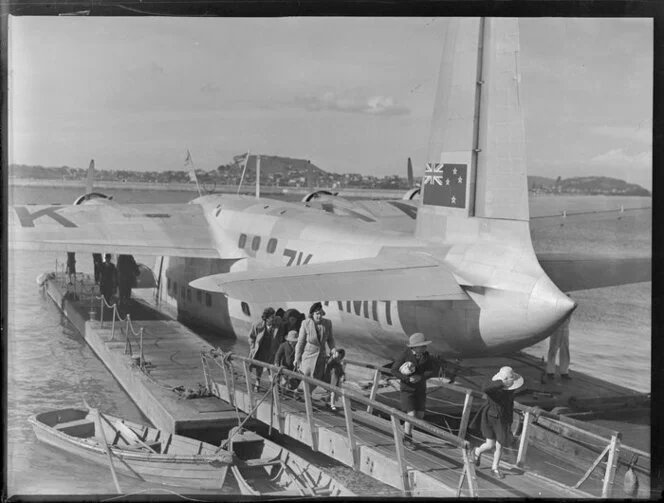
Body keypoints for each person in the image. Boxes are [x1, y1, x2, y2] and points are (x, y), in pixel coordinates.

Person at [473, 366, 524, 479]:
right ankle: (477, 451)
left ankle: (495, 468)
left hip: (503, 420)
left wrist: (509, 422)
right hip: (490, 417)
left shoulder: (511, 391)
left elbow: (509, 407)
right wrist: (502, 383)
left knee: (500, 444)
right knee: (490, 444)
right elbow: (485, 388)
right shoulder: (493, 388)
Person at [391, 333, 437, 446]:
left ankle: (406, 427)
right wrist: (407, 379)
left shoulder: (426, 356)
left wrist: (420, 377)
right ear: (415, 347)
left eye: (425, 346)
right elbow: (394, 370)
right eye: (422, 346)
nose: (425, 348)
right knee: (411, 414)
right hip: (407, 390)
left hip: (420, 389)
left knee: (420, 415)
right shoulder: (404, 355)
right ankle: (407, 438)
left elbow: (432, 371)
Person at [295, 302, 335, 395]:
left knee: (317, 380)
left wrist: (333, 349)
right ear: (312, 314)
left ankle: (301, 392)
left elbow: (330, 339)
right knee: (308, 377)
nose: (319, 316)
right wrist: (297, 358)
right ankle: (306, 398)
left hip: (321, 356)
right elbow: (300, 342)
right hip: (309, 355)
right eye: (317, 313)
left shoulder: (327, 323)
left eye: (321, 313)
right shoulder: (306, 323)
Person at [248, 307, 280, 392]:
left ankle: (272, 386)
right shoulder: (257, 325)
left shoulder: (276, 325)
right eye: (272, 317)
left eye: (274, 316)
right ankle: (257, 382)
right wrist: (253, 348)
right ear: (267, 317)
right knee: (259, 368)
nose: (274, 319)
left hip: (271, 350)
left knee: (271, 368)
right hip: (261, 349)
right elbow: (251, 337)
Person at [546, 314, 571, 381]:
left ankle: (564, 372)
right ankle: (550, 372)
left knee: (565, 350)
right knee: (553, 349)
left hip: (565, 328)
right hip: (556, 327)